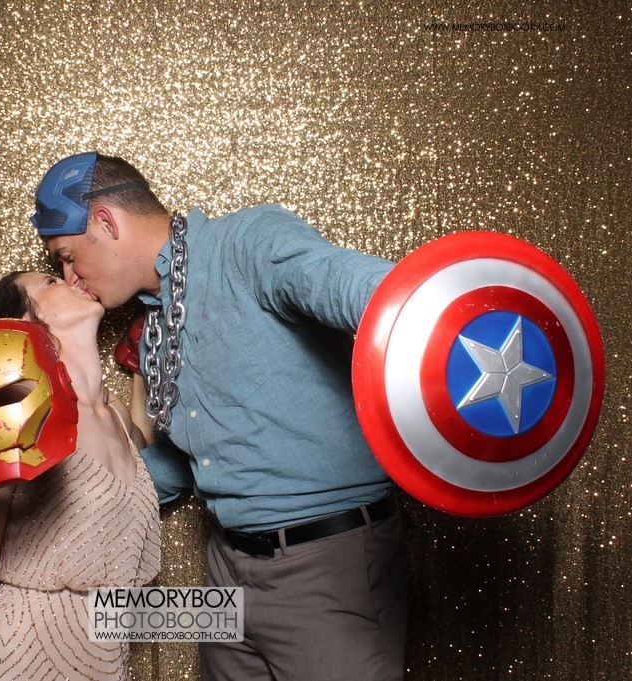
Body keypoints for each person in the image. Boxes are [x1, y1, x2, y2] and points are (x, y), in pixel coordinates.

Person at [30, 151, 409, 681]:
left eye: (69, 257)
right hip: (227, 568)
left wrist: (446, 324)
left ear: (107, 222)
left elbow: (360, 289)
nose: (71, 278)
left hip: (324, 560)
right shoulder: (156, 326)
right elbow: (192, 457)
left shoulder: (246, 242)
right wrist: (63, 510)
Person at [0, 271, 161, 680]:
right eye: (52, 282)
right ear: (24, 322)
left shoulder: (114, 414)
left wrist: (142, 368)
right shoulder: (18, 423)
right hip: (20, 653)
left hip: (107, 647)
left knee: (231, 617)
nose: (73, 280)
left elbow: (143, 445)